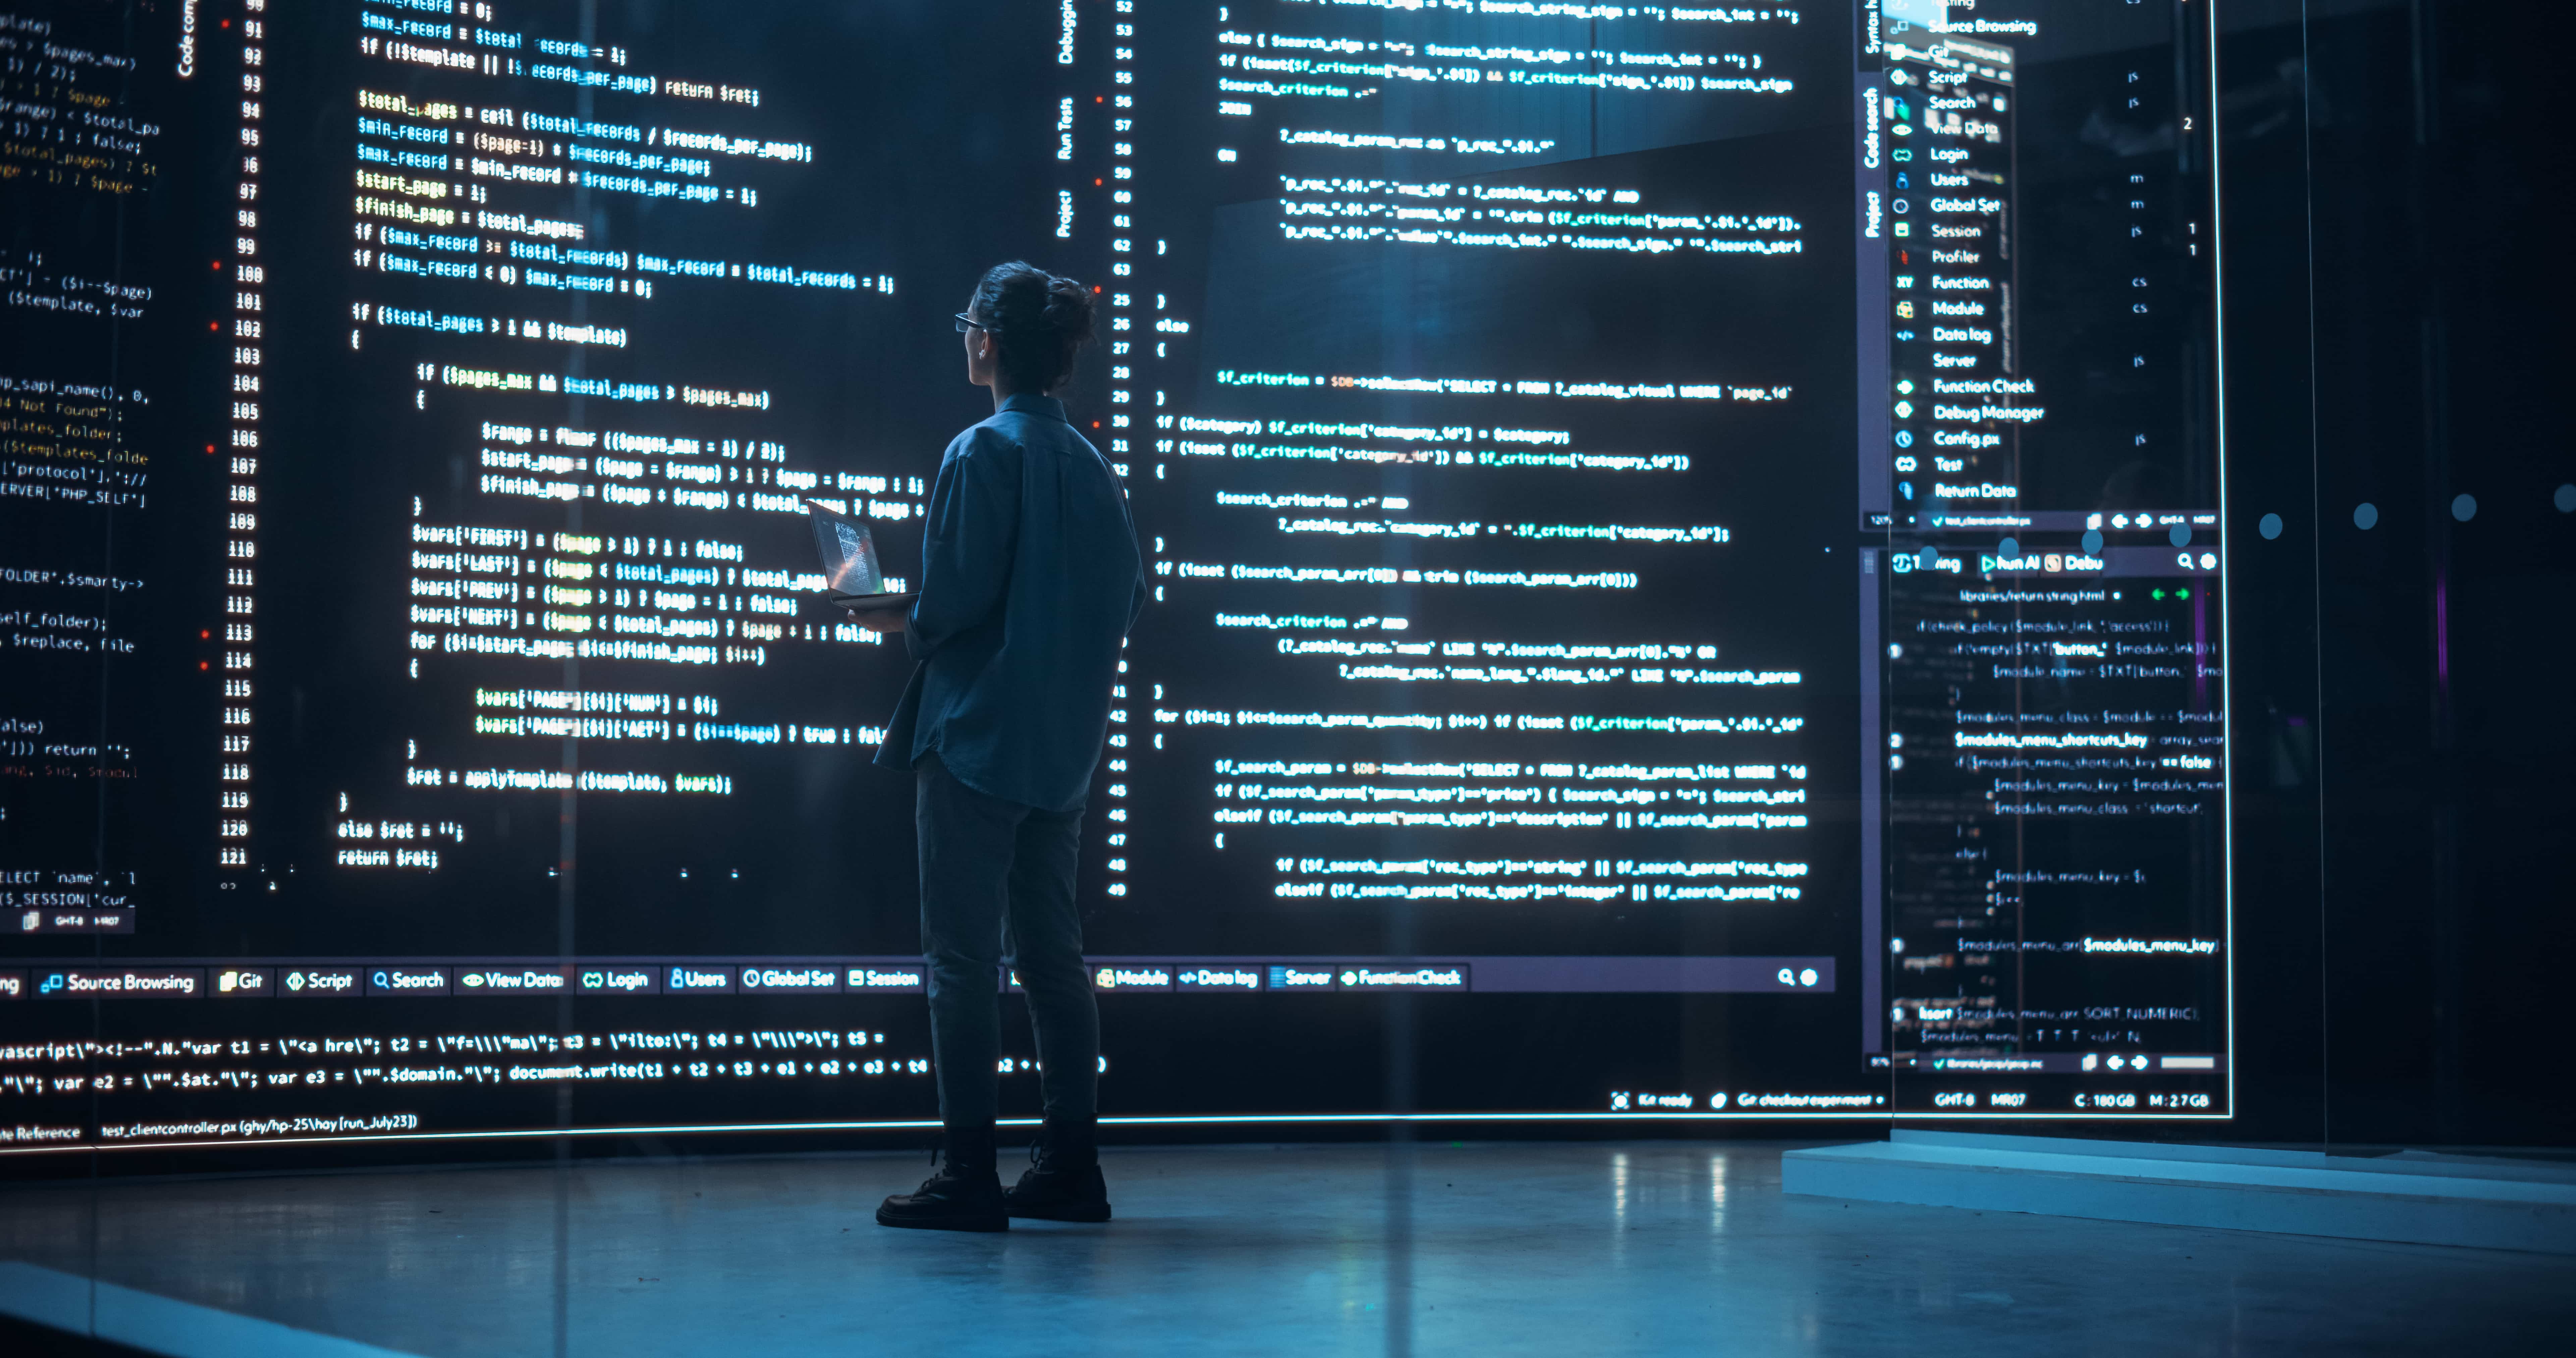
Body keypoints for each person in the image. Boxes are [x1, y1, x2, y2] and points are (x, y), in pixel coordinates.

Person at [862, 262, 1144, 1233]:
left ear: (986, 341)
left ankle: (969, 1174)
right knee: (1054, 958)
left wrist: (895, 614)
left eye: (965, 324)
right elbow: (1109, 605)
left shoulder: (979, 452)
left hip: (976, 742)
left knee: (960, 962)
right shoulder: (1096, 470)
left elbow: (950, 607)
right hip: (1060, 753)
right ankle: (1072, 1167)